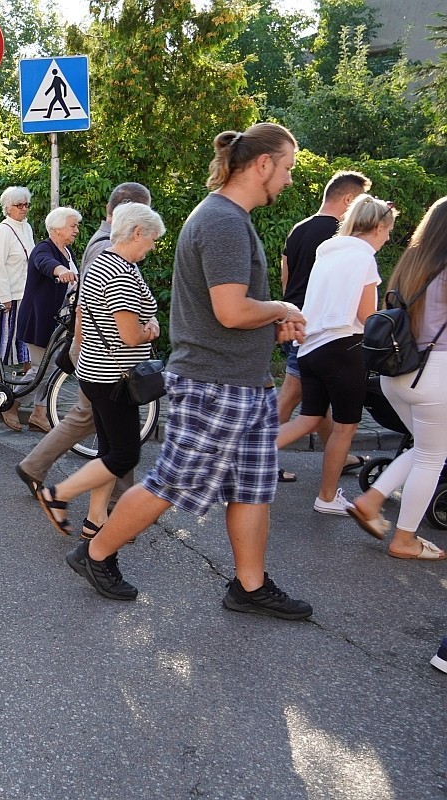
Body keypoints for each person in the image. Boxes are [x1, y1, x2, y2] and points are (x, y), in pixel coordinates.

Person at [65, 122, 314, 621]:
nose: (288, 180)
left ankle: (250, 585)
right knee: (169, 484)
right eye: (285, 168)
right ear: (262, 164)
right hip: (214, 384)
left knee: (252, 486)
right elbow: (230, 310)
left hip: (241, 380)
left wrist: (270, 328)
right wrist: (282, 307)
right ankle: (94, 554)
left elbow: (229, 314)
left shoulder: (228, 218)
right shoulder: (222, 221)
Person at [15, 182, 152, 505]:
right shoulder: (108, 247)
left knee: (91, 419)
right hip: (102, 354)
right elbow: (86, 303)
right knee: (115, 435)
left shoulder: (100, 242)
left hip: (94, 351)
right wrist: (82, 346)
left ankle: (41, 471)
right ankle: (115, 500)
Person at [36, 203, 163, 539]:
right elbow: (130, 334)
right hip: (113, 377)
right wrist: (151, 330)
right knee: (124, 454)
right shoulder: (120, 272)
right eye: (152, 239)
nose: (153, 246)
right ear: (137, 232)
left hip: (95, 370)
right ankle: (57, 495)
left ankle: (95, 521)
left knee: (109, 451)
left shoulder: (105, 261)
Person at [275, 195, 393, 515]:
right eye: (388, 232)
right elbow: (367, 316)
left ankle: (243, 460)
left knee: (309, 419)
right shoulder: (364, 258)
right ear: (378, 227)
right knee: (345, 427)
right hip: (344, 347)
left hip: (310, 346)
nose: (387, 239)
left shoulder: (327, 253)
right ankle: (327, 497)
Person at [348, 197, 447, 562]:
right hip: (435, 375)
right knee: (433, 455)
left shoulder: (412, 264)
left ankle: (371, 500)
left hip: (397, 375)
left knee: (424, 448)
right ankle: (404, 538)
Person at [277, 170, 372, 481]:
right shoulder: (340, 235)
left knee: (311, 404)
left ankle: (338, 456)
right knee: (292, 395)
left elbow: (285, 274)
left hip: (296, 318)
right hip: (318, 327)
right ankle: (256, 460)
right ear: (348, 200)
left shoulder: (299, 228)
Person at [16, 206, 81, 433]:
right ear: (57, 228)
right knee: (39, 369)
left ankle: (39, 414)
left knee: (49, 369)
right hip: (38, 319)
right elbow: (44, 262)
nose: (76, 230)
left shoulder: (67, 252)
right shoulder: (44, 248)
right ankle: (10, 403)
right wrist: (60, 270)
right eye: (73, 226)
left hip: (55, 321)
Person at [0, 186, 35, 431]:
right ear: (8, 208)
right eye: (19, 205)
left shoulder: (26, 228)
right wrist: (4, 298)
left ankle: (16, 403)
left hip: (23, 297)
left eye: (26, 205)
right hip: (5, 299)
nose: (24, 209)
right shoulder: (2, 232)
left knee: (25, 351)